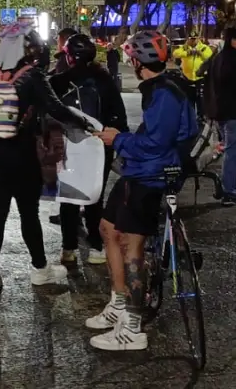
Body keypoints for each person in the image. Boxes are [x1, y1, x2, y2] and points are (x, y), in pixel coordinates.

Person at [86, 30, 197, 351]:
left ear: (137, 61)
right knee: (107, 229)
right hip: (138, 172)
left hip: (150, 177)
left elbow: (155, 144)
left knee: (131, 247)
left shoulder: (164, 95)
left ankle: (132, 327)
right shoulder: (158, 89)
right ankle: (118, 304)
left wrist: (116, 139)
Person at [0, 25, 95, 293]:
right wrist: (87, 124)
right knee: (28, 213)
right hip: (18, 149)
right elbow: (56, 108)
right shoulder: (32, 76)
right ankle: (40, 269)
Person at [51, 33, 128, 265]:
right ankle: (96, 246)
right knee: (95, 196)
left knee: (68, 196)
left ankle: (69, 249)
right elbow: (119, 117)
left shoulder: (58, 81)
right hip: (100, 144)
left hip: (68, 145)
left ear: (69, 57)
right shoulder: (104, 80)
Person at [205, 24, 236, 205]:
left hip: (223, 112)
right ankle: (229, 192)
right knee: (234, 153)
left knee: (235, 152)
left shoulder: (218, 58)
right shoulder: (235, 59)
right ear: (232, 40)